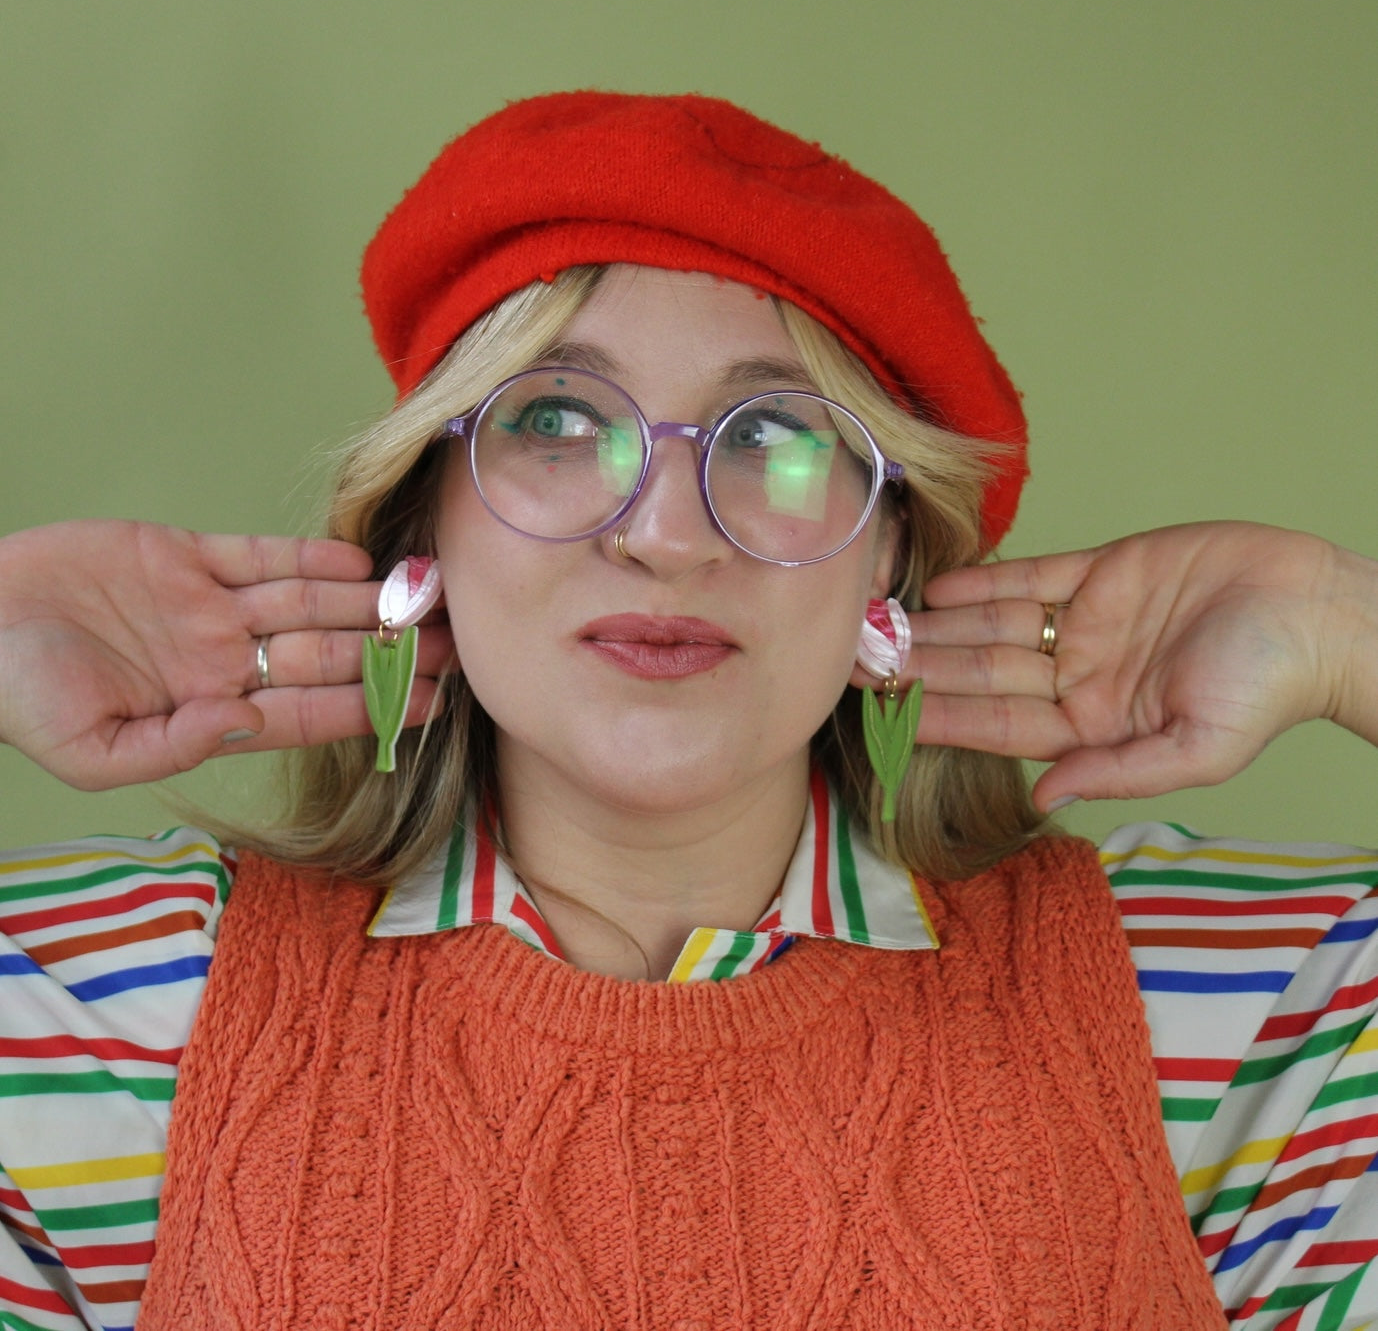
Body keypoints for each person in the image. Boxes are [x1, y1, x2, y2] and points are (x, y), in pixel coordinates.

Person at [0, 91, 1374, 1330]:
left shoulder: (1193, 1011)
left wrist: (1337, 627)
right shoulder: (134, 1015)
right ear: (425, 517)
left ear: (887, 554)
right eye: (551, 421)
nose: (664, 533)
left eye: (777, 435)